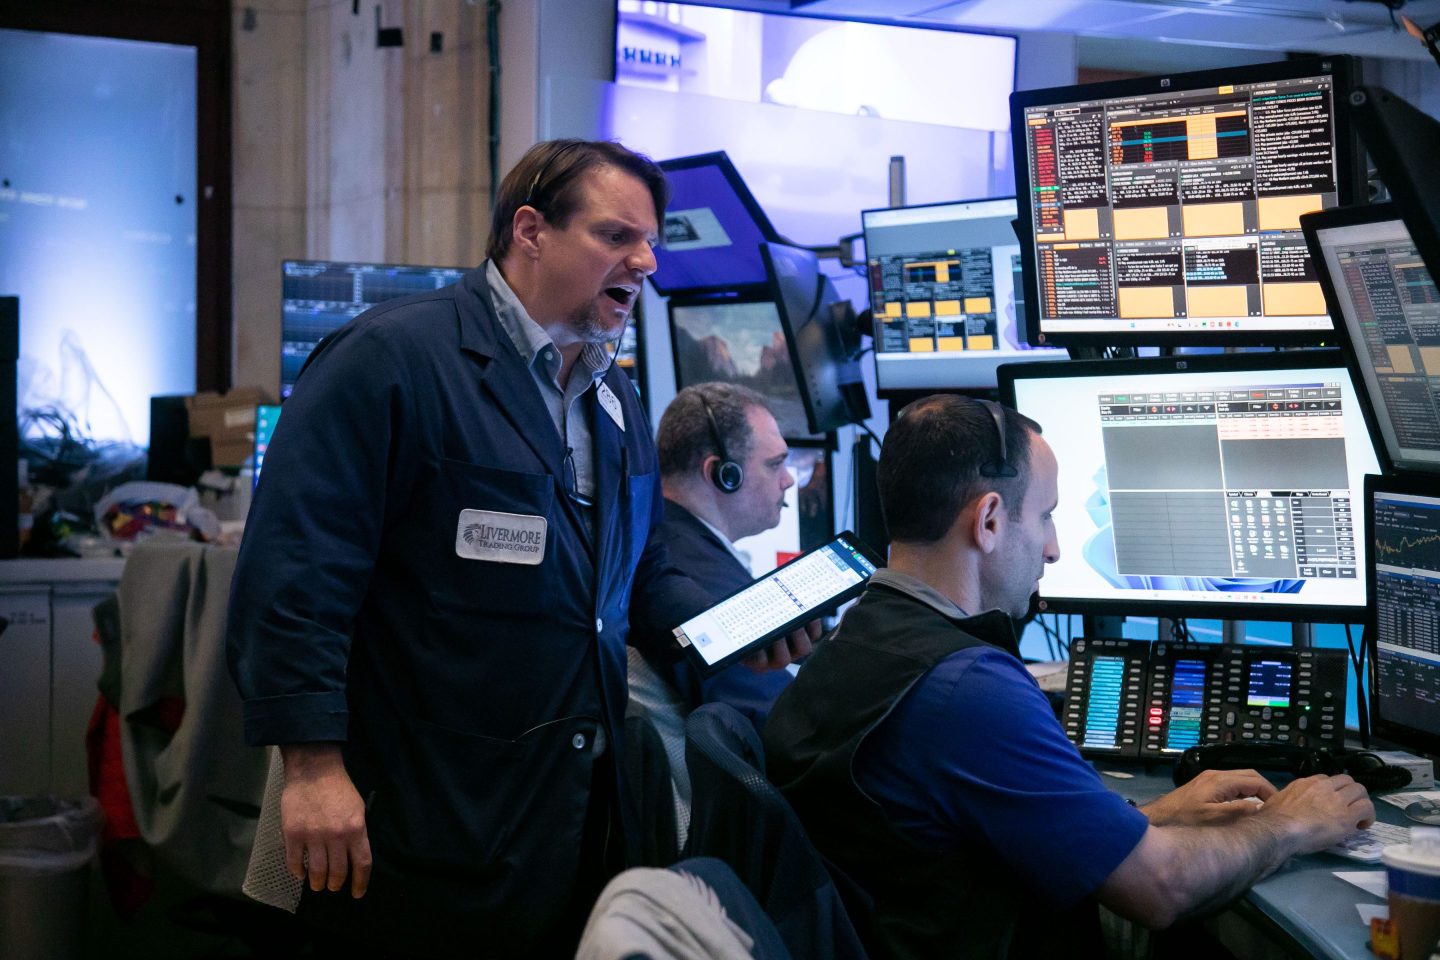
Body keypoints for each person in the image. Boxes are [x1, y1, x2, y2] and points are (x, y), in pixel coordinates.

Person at [227, 138, 808, 958]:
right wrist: (313, 768)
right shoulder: (392, 360)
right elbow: (295, 574)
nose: (645, 261)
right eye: (617, 236)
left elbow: (641, 580)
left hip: (567, 814)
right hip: (423, 805)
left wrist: (734, 630)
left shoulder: (615, 393)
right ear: (530, 231)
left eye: (650, 241)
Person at [762, 394, 1376, 960]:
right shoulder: (965, 688)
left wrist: (1151, 815)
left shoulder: (857, 640)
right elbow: (1161, 888)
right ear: (991, 521)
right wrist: (1293, 821)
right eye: (1046, 517)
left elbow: (976, 829)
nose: (1054, 549)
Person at [642, 382, 799, 729]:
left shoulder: (664, 541)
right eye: (775, 465)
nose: (788, 481)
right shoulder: (704, 585)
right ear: (723, 474)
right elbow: (784, 726)